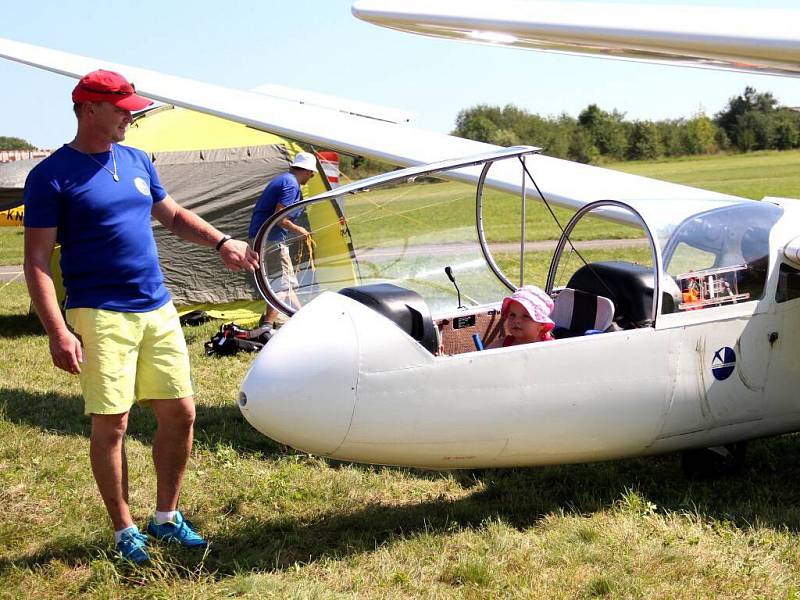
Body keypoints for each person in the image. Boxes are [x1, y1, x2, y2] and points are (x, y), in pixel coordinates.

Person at [23, 69, 260, 564]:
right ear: (89, 109)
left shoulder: (135, 159)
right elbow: (37, 262)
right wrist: (57, 331)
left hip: (157, 304)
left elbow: (171, 215)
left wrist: (221, 241)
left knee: (181, 413)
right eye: (121, 107)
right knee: (112, 423)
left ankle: (167, 518)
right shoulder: (50, 175)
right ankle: (124, 529)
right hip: (100, 311)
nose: (131, 114)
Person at [248, 152, 317, 327]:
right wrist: (299, 229)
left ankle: (300, 318)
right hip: (270, 239)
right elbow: (279, 218)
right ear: (307, 171)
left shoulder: (284, 179)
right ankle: (267, 326)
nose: (312, 176)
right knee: (282, 285)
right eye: (312, 173)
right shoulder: (291, 184)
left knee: (287, 282)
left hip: (261, 237)